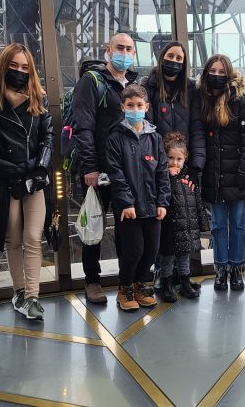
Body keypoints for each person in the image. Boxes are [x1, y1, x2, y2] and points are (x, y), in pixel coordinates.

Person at [0, 43, 53, 320]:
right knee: (12, 239)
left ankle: (33, 296)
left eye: (25, 67)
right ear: (4, 66)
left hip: (33, 178)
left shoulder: (37, 98)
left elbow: (48, 136)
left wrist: (41, 170)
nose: (19, 71)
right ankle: (19, 292)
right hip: (5, 179)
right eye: (14, 66)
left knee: (33, 237)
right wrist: (5, 170)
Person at [71, 32, 139, 304]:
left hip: (126, 170)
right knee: (94, 226)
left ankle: (127, 281)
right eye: (119, 47)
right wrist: (90, 167)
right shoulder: (92, 81)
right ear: (108, 50)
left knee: (127, 227)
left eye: (129, 48)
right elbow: (83, 126)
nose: (124, 52)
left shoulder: (134, 83)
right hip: (98, 169)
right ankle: (92, 281)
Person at [192, 55, 245, 291]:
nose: (217, 75)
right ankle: (221, 269)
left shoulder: (241, 99)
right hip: (214, 175)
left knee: (238, 223)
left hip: (237, 173)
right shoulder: (201, 99)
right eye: (213, 70)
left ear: (229, 73)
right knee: (218, 225)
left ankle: (237, 269)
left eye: (222, 71)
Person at [141, 42, 204, 293]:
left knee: (183, 224)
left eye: (179, 57)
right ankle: (163, 276)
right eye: (170, 56)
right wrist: (158, 164)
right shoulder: (151, 86)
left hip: (184, 163)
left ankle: (181, 276)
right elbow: (149, 129)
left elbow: (197, 127)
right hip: (161, 165)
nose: (174, 61)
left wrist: (194, 165)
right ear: (161, 58)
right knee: (164, 226)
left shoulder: (190, 89)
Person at [105, 85, 170, 311]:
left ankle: (140, 284)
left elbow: (162, 171)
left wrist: (163, 201)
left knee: (152, 249)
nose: (135, 109)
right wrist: (126, 202)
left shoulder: (155, 138)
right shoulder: (115, 137)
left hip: (153, 205)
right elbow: (116, 173)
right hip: (128, 208)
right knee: (134, 250)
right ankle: (125, 288)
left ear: (147, 107)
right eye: (130, 105)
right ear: (123, 106)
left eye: (139, 105)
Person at [157, 132, 206, 302]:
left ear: (185, 159)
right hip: (169, 228)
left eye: (179, 159)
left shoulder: (188, 178)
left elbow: (197, 201)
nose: (174, 163)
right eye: (171, 158)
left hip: (186, 227)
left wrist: (202, 222)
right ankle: (166, 284)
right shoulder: (162, 178)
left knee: (184, 257)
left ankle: (185, 282)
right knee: (168, 258)